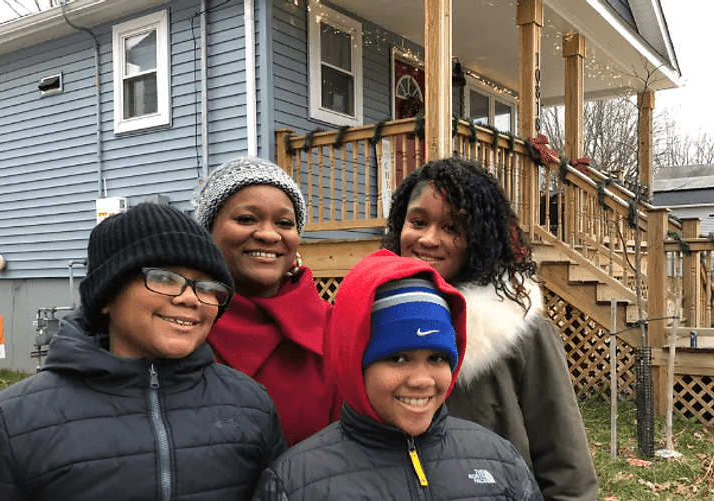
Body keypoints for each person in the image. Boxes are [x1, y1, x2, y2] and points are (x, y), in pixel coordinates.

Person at [0, 203, 287, 501]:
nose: (190, 297)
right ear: (106, 297)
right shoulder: (14, 421)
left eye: (208, 286)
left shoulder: (250, 405)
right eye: (165, 278)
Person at [382, 157, 598, 501]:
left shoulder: (521, 332)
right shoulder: (375, 318)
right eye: (418, 222)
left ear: (478, 238)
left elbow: (567, 469)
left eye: (452, 228)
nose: (428, 239)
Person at [252, 249, 543, 501]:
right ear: (355, 362)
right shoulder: (295, 483)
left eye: (438, 358)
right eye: (398, 358)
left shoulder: (499, 461)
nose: (421, 380)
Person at [195, 156, 340, 446]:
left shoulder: (337, 328)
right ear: (207, 232)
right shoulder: (180, 319)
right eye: (246, 218)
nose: (268, 234)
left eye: (284, 222)